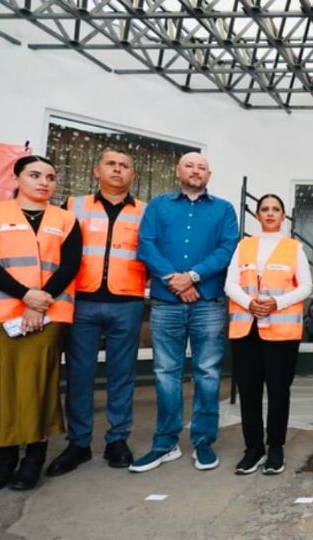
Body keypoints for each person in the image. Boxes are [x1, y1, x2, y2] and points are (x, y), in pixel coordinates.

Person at [130, 152, 239, 473]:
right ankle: (165, 443)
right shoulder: (159, 206)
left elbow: (227, 248)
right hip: (166, 302)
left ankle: (203, 441)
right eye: (189, 165)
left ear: (210, 174)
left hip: (209, 303)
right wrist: (174, 280)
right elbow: (146, 245)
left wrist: (192, 276)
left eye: (202, 167)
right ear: (178, 171)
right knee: (166, 373)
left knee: (207, 372)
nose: (195, 171)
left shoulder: (224, 209)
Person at [45, 149, 146, 477]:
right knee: (79, 374)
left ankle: (118, 440)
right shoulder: (72, 207)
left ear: (133, 175)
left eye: (125, 166)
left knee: (121, 374)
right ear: (96, 169)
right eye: (111, 164)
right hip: (82, 301)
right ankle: (79, 443)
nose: (118, 170)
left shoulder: (145, 211)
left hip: (127, 302)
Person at [0, 156, 81, 490]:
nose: (44, 182)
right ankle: (4, 458)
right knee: (3, 386)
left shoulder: (65, 219)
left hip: (49, 315)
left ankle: (34, 456)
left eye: (50, 177)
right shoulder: (0, 213)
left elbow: (70, 265)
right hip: (4, 312)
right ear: (17, 178)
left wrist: (40, 301)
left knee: (39, 384)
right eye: (35, 175)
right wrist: (24, 295)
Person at [225, 194, 312, 475]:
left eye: (276, 209)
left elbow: (305, 287)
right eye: (265, 209)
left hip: (282, 331)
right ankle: (253, 449)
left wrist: (277, 303)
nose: (270, 213)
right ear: (257, 215)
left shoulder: (293, 248)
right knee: (249, 392)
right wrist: (250, 303)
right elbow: (230, 283)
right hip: (246, 328)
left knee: (278, 391)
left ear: (283, 216)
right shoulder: (244, 246)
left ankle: (275, 448)